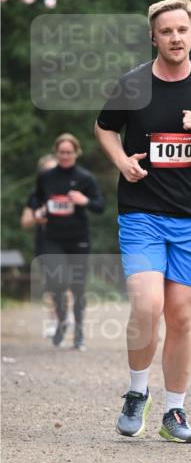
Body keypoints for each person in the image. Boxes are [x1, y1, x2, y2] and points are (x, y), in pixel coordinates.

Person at [95, 0, 191, 444]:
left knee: (180, 315)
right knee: (147, 304)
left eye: (182, 30)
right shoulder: (133, 84)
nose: (175, 37)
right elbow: (104, 127)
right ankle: (137, 392)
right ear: (153, 37)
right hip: (142, 213)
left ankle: (174, 411)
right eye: (166, 31)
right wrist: (121, 161)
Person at [31, 136, 105, 350]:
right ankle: (62, 322)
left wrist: (85, 201)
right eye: (61, 152)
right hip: (52, 238)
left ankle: (79, 332)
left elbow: (100, 206)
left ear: (76, 153)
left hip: (78, 239)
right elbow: (36, 198)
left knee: (78, 287)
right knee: (56, 283)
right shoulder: (46, 177)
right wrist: (38, 210)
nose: (64, 156)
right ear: (56, 153)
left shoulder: (85, 178)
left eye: (68, 152)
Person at [21, 153, 62, 338]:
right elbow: (25, 221)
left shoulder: (69, 191)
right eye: (47, 170)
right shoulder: (36, 196)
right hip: (46, 244)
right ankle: (55, 320)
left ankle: (67, 317)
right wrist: (38, 215)